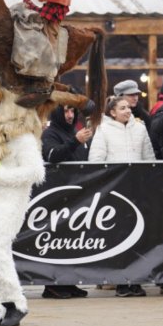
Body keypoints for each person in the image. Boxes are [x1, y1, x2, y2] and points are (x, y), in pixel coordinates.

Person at [89, 96, 155, 297]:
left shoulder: (140, 129)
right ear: (112, 112)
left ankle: (136, 281)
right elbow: (96, 160)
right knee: (118, 237)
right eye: (122, 107)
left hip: (138, 191)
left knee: (139, 237)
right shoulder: (104, 130)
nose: (127, 110)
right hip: (115, 193)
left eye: (128, 107)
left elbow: (149, 158)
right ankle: (120, 282)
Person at [40, 104, 92, 299]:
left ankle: (69, 282)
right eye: (66, 111)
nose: (70, 115)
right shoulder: (50, 133)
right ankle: (53, 285)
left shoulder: (76, 132)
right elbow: (53, 155)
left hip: (76, 194)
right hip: (57, 194)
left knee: (73, 241)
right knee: (56, 240)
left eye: (73, 111)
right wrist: (75, 141)